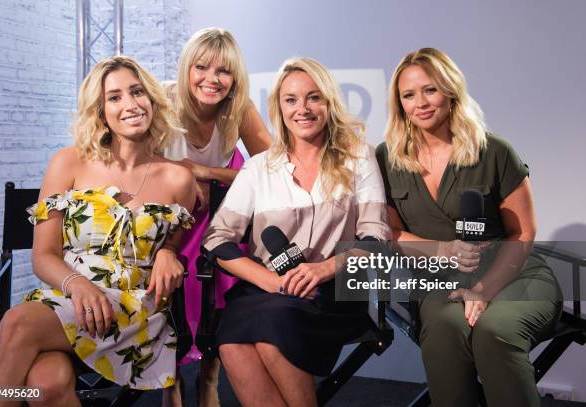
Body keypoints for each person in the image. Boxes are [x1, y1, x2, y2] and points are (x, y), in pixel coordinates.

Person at [0, 55, 196, 406]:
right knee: (45, 385)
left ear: (152, 99)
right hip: (68, 297)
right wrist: (78, 286)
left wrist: (170, 252)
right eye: (114, 97)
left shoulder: (178, 179)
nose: (130, 104)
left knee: (17, 323)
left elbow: (173, 244)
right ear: (100, 110)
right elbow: (43, 256)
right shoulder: (68, 162)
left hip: (130, 311)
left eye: (137, 92)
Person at [376, 47, 562, 407]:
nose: (421, 103)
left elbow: (522, 234)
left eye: (430, 89)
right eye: (408, 95)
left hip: (513, 274)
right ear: (399, 103)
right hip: (439, 281)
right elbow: (392, 233)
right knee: (445, 330)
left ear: (450, 90)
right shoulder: (386, 158)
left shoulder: (494, 150)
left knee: (495, 332)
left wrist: (485, 288)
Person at [202, 57, 391, 407]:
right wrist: (270, 281)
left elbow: (376, 237)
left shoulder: (358, 158)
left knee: (273, 329)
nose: (302, 109)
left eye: (313, 97)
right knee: (232, 341)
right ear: (279, 107)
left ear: (329, 103)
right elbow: (217, 239)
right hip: (267, 288)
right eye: (291, 100)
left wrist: (323, 269)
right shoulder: (259, 168)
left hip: (334, 288)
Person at [163, 27, 271, 406]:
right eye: (202, 67)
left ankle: (209, 378)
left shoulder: (238, 107)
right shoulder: (162, 100)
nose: (212, 79)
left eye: (224, 71)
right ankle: (168, 380)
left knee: (223, 262)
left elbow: (273, 168)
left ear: (235, 77)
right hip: (169, 215)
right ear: (186, 68)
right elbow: (135, 166)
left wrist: (207, 172)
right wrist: (180, 176)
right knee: (172, 270)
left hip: (218, 213)